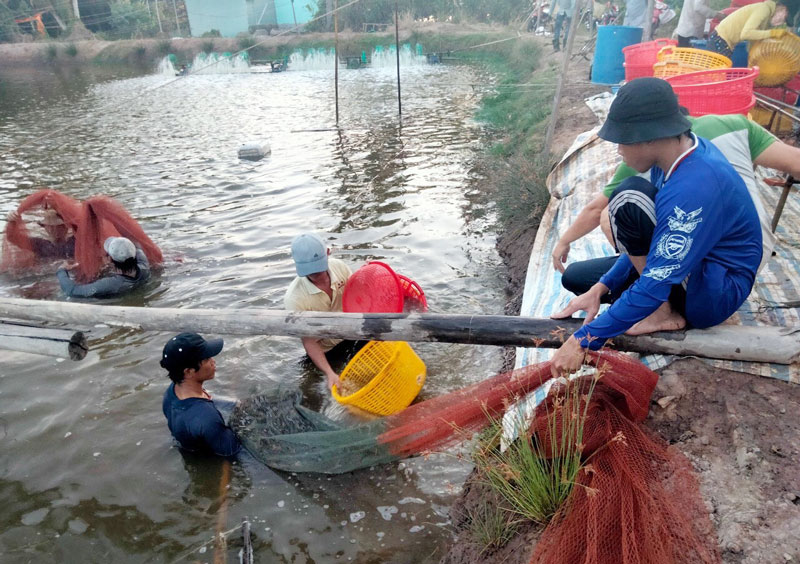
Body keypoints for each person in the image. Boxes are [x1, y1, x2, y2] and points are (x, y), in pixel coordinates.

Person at [549, 78, 762, 377]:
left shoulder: (694, 187)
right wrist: (601, 288)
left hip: (715, 291)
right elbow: (660, 241)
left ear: (649, 138)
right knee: (577, 278)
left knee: (629, 198)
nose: (619, 151)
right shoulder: (674, 161)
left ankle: (664, 314)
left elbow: (658, 278)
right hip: (693, 266)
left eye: (622, 141)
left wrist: (583, 340)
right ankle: (639, 301)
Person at [552, 112, 800, 289]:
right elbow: (795, 162)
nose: (620, 150)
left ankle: (660, 301)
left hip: (706, 271)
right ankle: (648, 285)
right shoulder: (733, 124)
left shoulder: (651, 155)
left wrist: (563, 241)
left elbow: (596, 209)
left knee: (612, 213)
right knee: (577, 277)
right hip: (755, 251)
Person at [283, 233, 357, 390]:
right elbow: (309, 341)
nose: (316, 275)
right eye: (310, 271)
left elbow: (357, 298)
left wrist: (367, 275)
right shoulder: (294, 298)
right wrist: (329, 373)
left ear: (328, 253)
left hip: (352, 335)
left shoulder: (340, 267)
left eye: (319, 268)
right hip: (327, 350)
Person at [161, 332, 241, 457]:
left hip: (193, 435)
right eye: (207, 359)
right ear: (189, 371)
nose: (213, 361)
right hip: (213, 450)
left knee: (238, 405)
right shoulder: (208, 418)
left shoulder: (172, 391)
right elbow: (232, 454)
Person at [57, 236, 150, 298]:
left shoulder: (111, 284)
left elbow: (72, 291)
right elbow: (137, 247)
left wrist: (62, 270)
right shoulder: (144, 265)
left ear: (109, 259)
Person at [708, 0, 794, 58]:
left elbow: (753, 40)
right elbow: (746, 33)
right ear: (783, 9)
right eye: (784, 18)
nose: (781, 23)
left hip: (724, 42)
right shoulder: (763, 9)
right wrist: (772, 33)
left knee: (719, 77)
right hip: (719, 40)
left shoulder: (767, 17)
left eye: (784, 22)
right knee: (717, 77)